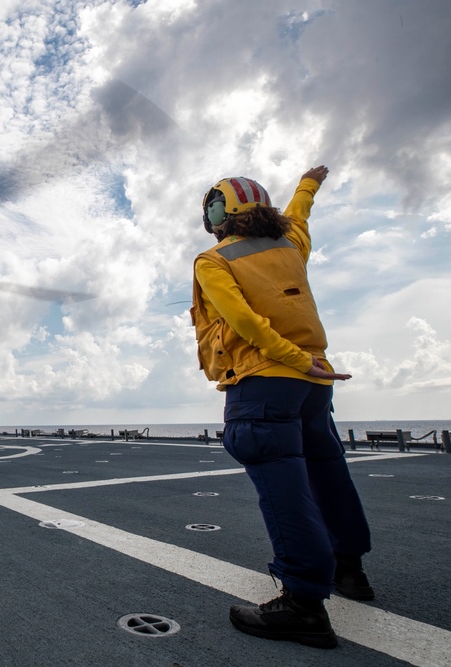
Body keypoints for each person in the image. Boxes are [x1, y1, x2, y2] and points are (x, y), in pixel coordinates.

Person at [191, 166, 373, 649]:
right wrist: (308, 185)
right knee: (328, 472)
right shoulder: (290, 246)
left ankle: (303, 605)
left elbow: (244, 322)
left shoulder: (213, 261)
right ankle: (350, 571)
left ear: (220, 214)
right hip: (315, 384)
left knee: (284, 487)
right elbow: (299, 216)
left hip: (265, 381)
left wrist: (292, 359)